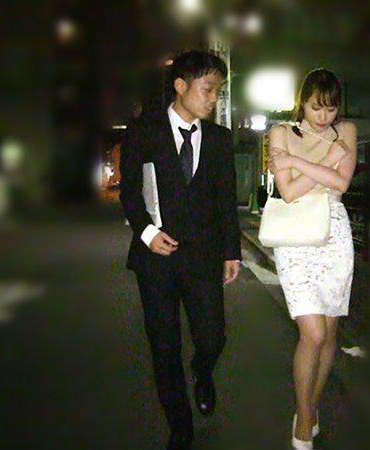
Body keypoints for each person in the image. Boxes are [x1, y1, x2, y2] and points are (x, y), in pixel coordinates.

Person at [120, 50, 241, 450]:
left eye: (218, 91)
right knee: (164, 346)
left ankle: (202, 370)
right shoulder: (144, 131)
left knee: (213, 337)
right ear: (180, 86)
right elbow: (129, 192)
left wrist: (232, 252)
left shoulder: (220, 140)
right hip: (155, 259)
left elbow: (226, 201)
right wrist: (147, 232)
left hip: (204, 257)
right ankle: (180, 425)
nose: (213, 98)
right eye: (208, 89)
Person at [267, 68, 356, 450]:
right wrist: (327, 163)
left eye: (331, 108)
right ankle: (304, 419)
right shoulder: (281, 133)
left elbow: (342, 184)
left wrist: (296, 163)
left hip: (334, 235)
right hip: (295, 238)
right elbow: (288, 194)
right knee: (314, 333)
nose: (324, 116)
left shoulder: (346, 132)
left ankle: (310, 408)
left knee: (330, 333)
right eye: (316, 107)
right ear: (302, 102)